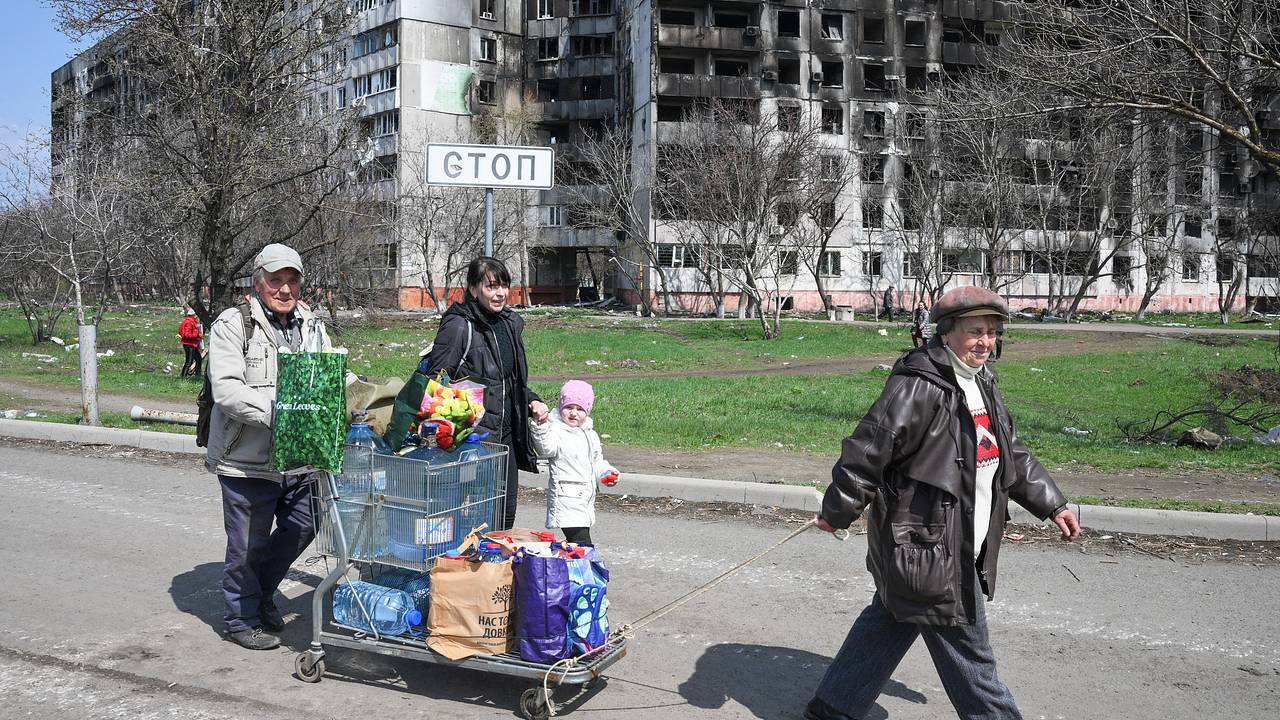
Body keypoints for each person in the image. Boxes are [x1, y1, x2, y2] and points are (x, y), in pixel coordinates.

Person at [804, 285, 1081, 720]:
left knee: (892, 618)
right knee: (973, 658)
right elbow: (867, 450)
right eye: (975, 331)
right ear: (947, 333)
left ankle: (834, 706)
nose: (985, 342)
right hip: (930, 546)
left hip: (948, 541)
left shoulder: (979, 381)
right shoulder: (918, 387)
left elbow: (1009, 450)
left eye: (992, 332)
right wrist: (837, 511)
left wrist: (1053, 504)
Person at [205, 243, 332, 651]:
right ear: (258, 283)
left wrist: (368, 400)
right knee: (247, 545)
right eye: (275, 280)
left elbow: (328, 373)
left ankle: (260, 594)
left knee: (304, 525)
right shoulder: (232, 324)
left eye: (291, 280)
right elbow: (226, 390)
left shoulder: (310, 322)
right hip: (247, 460)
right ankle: (240, 619)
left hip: (298, 458)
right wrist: (282, 413)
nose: (284, 288)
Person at [420, 256, 549, 530]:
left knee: (504, 515)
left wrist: (531, 399)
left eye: (504, 285)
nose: (500, 293)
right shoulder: (459, 325)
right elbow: (435, 383)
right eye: (491, 286)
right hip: (472, 439)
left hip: (506, 436)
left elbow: (507, 380)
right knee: (470, 518)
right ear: (474, 288)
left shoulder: (510, 324)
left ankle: (494, 572)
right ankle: (464, 570)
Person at [529, 380, 619, 546]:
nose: (573, 413)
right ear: (561, 406)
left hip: (584, 500)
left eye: (580, 409)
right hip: (566, 500)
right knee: (583, 546)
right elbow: (546, 449)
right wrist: (540, 426)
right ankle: (590, 571)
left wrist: (606, 473)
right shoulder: (555, 430)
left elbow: (596, 461)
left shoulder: (590, 434)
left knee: (576, 547)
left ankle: (572, 570)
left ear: (588, 411)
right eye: (569, 407)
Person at [178, 309, 204, 377]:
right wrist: (197, 336)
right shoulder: (189, 322)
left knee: (198, 359)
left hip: (191, 344)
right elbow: (186, 334)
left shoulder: (189, 321)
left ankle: (197, 375)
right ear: (194, 315)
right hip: (189, 344)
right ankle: (183, 377)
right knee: (189, 361)